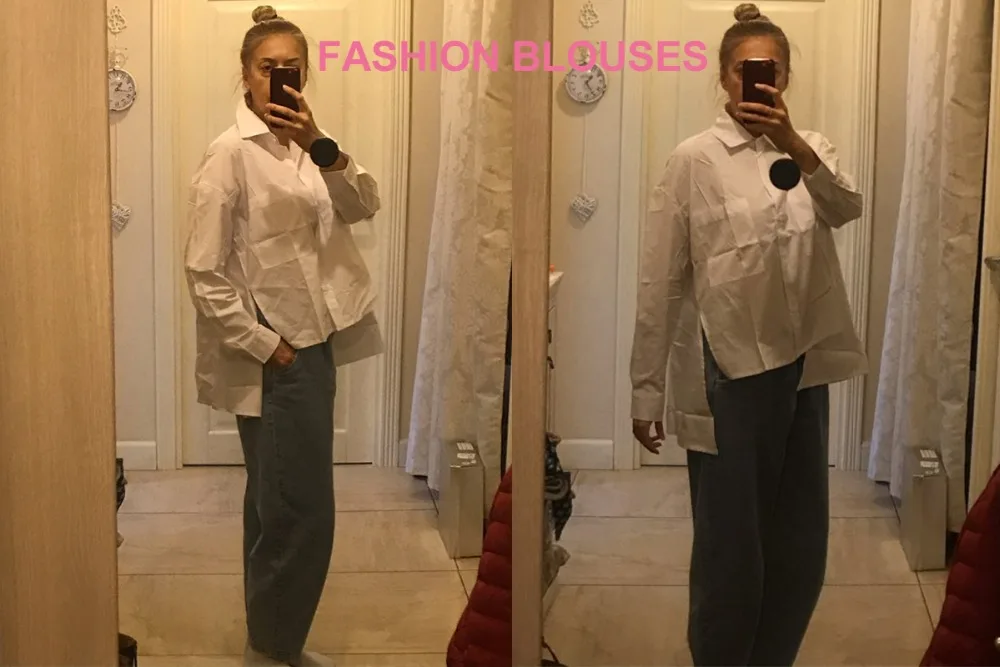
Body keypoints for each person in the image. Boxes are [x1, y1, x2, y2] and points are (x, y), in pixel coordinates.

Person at [629, 3, 867, 665]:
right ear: (723, 76)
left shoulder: (812, 147)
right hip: (727, 372)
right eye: (744, 71)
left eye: (771, 71)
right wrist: (646, 390)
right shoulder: (693, 161)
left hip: (804, 367)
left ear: (785, 78)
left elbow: (846, 207)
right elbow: (659, 279)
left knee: (800, 539)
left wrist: (795, 144)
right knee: (731, 544)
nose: (757, 82)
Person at [183, 5, 382, 666]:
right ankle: (272, 649)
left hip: (315, 342)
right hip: (277, 352)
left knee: (277, 501)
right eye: (267, 66)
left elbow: (362, 205)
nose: (278, 77)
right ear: (245, 73)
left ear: (306, 73)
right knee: (300, 511)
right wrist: (270, 347)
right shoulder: (229, 155)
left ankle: (269, 640)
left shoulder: (309, 146)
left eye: (290, 66)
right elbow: (204, 271)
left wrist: (321, 143)